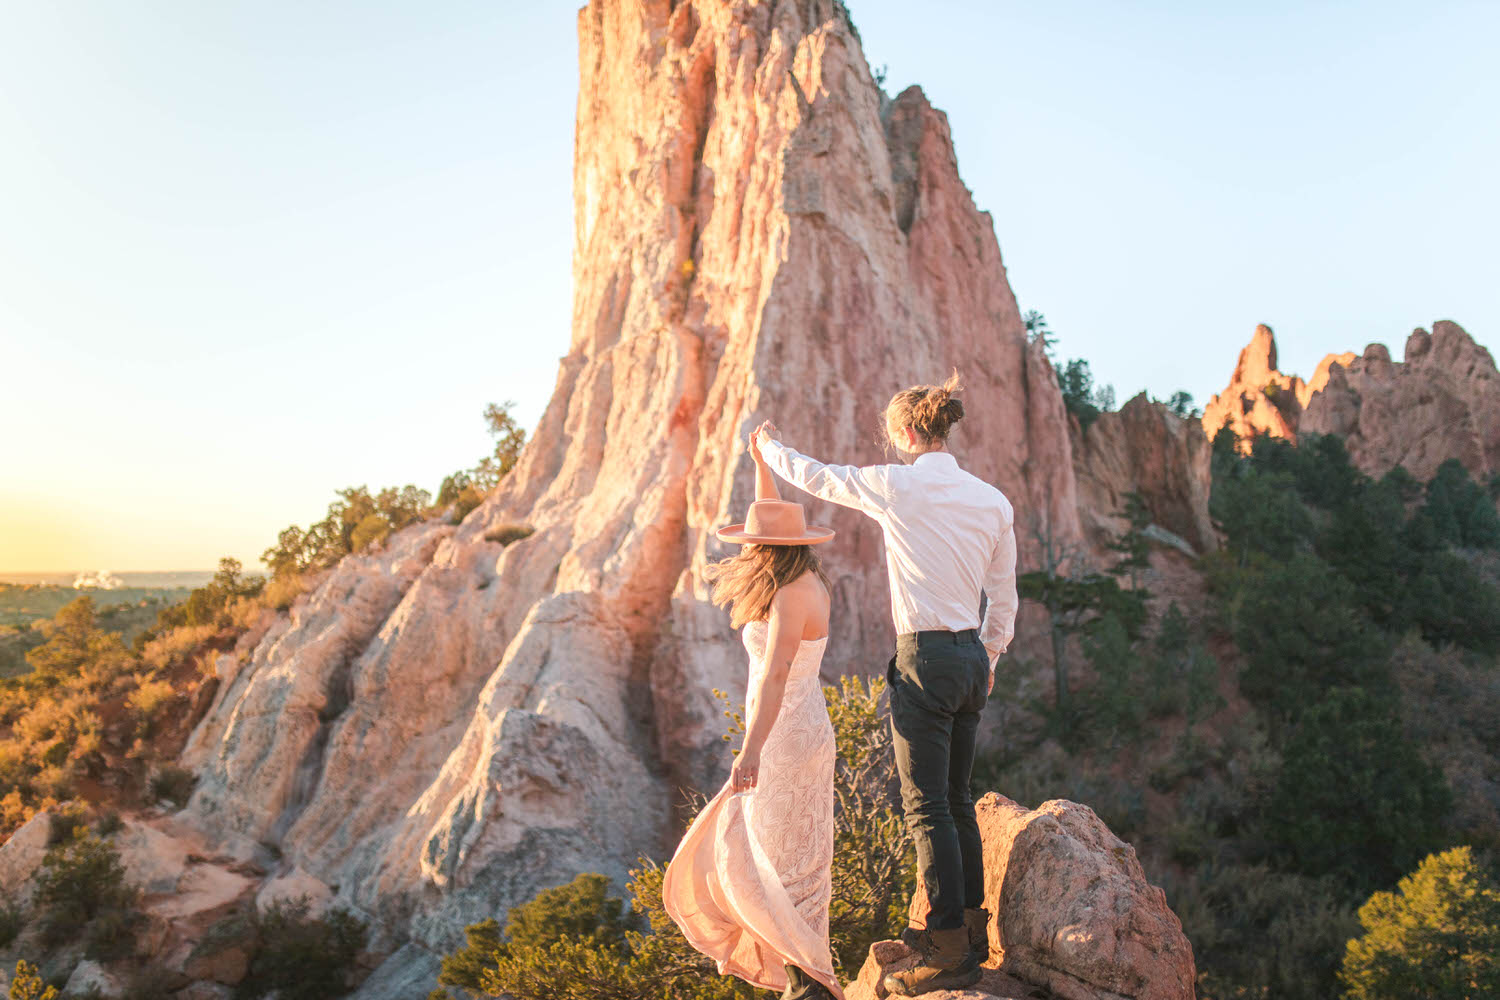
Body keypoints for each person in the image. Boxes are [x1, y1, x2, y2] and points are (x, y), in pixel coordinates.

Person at [753, 371, 1018, 996]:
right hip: (971, 658)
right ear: (944, 429)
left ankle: (946, 952)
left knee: (927, 808)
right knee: (956, 800)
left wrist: (768, 450)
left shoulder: (895, 486)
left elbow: (818, 476)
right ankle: (969, 935)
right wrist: (988, 660)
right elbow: (1003, 601)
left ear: (903, 433)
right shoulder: (993, 500)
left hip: (923, 658)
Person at [663, 431, 846, 1000]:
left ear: (771, 548)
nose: (747, 551)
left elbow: (772, 676)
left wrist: (750, 749)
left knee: (770, 854)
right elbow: (770, 519)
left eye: (754, 543)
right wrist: (762, 463)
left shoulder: (791, 594)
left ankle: (809, 980)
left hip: (785, 735)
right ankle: (805, 977)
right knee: (791, 855)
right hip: (803, 728)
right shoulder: (807, 580)